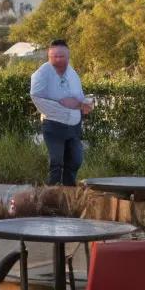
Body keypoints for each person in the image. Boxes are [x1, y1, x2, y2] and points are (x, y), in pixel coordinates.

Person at [30, 39, 93, 187]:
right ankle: (52, 198)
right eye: (54, 57)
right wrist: (64, 106)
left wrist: (86, 104)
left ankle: (68, 194)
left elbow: (79, 97)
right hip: (53, 125)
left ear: (68, 56)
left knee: (75, 160)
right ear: (48, 57)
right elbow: (36, 97)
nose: (57, 60)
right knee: (56, 163)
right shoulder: (41, 74)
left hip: (74, 125)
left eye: (61, 56)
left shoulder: (73, 74)